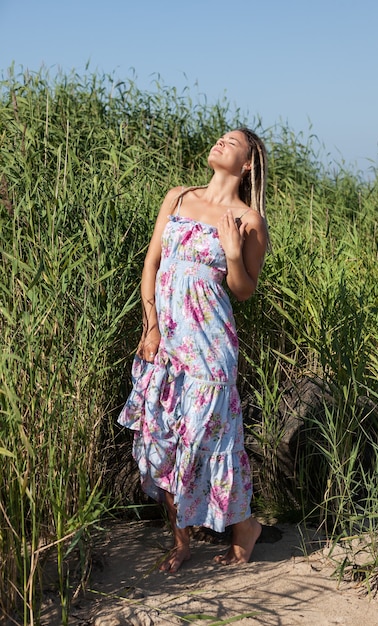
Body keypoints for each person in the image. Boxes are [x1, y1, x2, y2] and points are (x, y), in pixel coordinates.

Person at [118, 127, 269, 573]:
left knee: (207, 439)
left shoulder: (249, 220)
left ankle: (245, 527)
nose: (220, 142)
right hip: (165, 345)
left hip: (210, 350)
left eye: (233, 142)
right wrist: (150, 327)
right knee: (161, 440)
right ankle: (182, 542)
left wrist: (233, 253)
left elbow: (243, 291)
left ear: (247, 164)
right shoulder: (179, 197)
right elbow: (152, 263)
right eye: (219, 137)